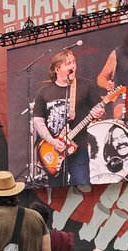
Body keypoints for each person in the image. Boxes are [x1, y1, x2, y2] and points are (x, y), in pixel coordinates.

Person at [32, 49, 106, 187]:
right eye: (68, 63)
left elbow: (100, 110)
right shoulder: (44, 92)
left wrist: (99, 113)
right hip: (53, 148)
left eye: (74, 62)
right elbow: (38, 121)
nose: (73, 66)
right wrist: (52, 141)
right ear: (57, 69)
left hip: (79, 146)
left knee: (82, 185)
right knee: (56, 190)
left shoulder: (85, 85)